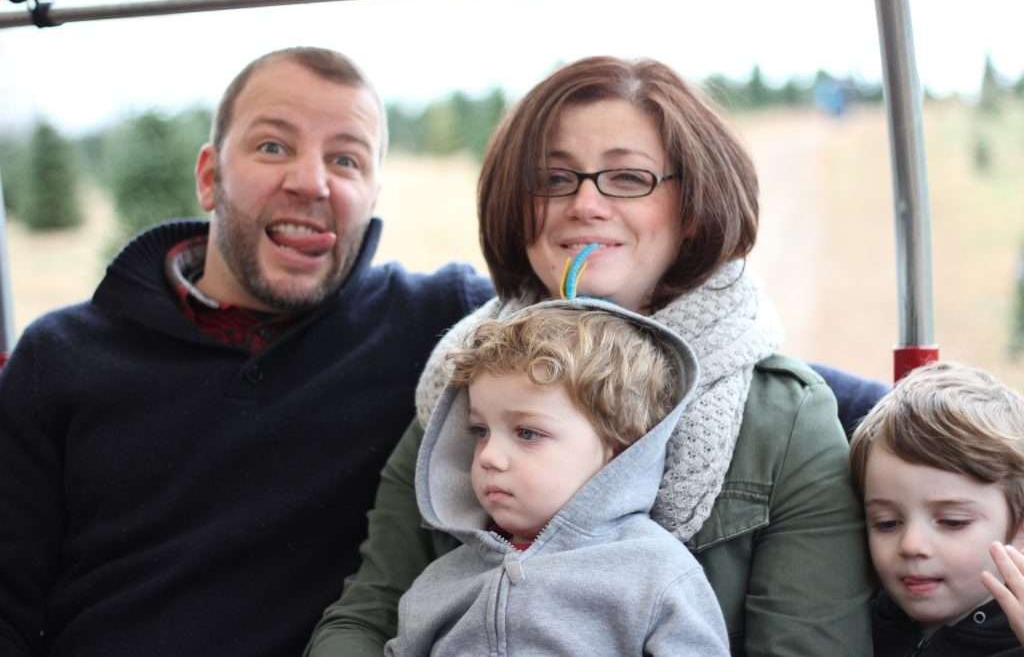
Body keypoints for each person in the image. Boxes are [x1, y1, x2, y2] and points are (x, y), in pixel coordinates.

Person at [306, 55, 874, 656]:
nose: (584, 204)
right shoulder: (460, 390)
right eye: (553, 179)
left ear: (693, 207)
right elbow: (367, 615)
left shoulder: (781, 422)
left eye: (628, 178)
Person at [0, 47, 493, 656]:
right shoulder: (59, 357)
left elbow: (606, 311)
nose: (312, 182)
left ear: (371, 197)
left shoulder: (442, 322)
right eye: (273, 147)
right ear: (209, 177)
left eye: (346, 159)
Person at [385, 300, 729, 656]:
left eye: (527, 434)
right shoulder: (440, 583)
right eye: (480, 431)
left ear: (618, 444)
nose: (488, 456)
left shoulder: (657, 575)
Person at [849, 361, 1024, 656]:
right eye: (887, 523)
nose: (911, 545)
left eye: (952, 521)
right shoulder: (854, 621)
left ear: (1020, 527)